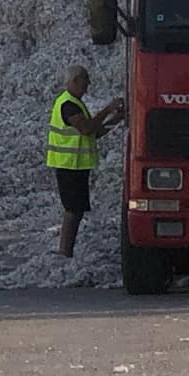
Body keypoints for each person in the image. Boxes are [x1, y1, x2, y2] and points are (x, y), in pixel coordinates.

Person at [47, 65, 123, 258]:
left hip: (77, 164)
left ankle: (66, 251)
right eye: (85, 80)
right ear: (74, 81)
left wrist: (117, 118)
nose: (88, 84)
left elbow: (94, 132)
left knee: (76, 209)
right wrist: (108, 109)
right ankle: (64, 252)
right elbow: (87, 128)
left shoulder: (76, 103)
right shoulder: (68, 104)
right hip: (68, 164)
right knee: (73, 209)